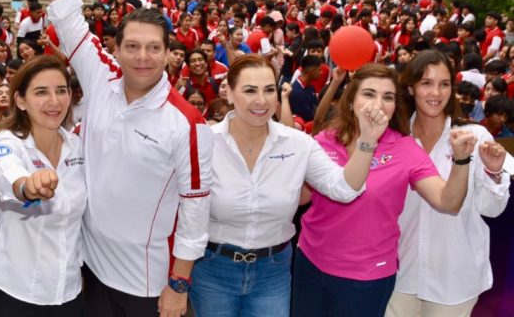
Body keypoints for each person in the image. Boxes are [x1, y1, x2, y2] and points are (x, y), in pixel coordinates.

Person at [44, 0, 212, 317]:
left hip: (146, 285)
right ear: (115, 48)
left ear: (169, 54)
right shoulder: (100, 79)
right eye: (132, 46)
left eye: (154, 48)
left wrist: (178, 284)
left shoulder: (187, 121)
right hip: (86, 269)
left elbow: (195, 210)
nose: (142, 57)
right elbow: (67, 18)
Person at [190, 54, 387, 317]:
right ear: (229, 93)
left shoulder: (298, 144)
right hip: (212, 268)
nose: (261, 100)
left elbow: (344, 189)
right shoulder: (204, 141)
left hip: (272, 272)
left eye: (269, 90)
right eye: (249, 90)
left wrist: (367, 140)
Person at [292, 63, 475, 317]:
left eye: (387, 97)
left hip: (366, 277)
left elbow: (447, 201)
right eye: (368, 93)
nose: (378, 103)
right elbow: (302, 198)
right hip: (310, 264)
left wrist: (462, 160)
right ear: (350, 100)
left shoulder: (405, 149)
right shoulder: (325, 140)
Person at [386, 50, 510, 316]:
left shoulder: (473, 136)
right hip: (399, 274)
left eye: (444, 84)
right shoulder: (393, 139)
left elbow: (492, 210)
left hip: (454, 280)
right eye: (426, 83)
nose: (436, 93)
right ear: (410, 88)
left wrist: (495, 173)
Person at [0, 55, 86, 316]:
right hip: (14, 293)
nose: (54, 101)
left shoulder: (79, 147)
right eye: (41, 92)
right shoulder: (8, 143)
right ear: (20, 100)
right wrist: (27, 186)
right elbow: (9, 175)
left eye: (61, 91)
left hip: (68, 292)